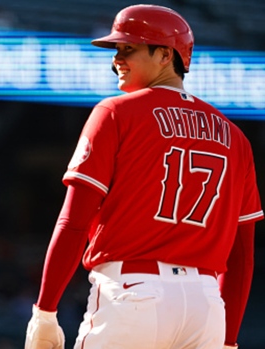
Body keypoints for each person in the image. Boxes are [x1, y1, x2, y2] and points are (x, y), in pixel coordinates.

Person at [24, 5, 263, 349]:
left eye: (128, 49)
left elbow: (73, 223)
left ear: (166, 54)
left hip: (133, 293)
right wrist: (228, 340)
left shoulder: (115, 113)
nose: (116, 60)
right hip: (206, 306)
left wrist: (45, 312)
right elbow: (242, 257)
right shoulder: (236, 138)